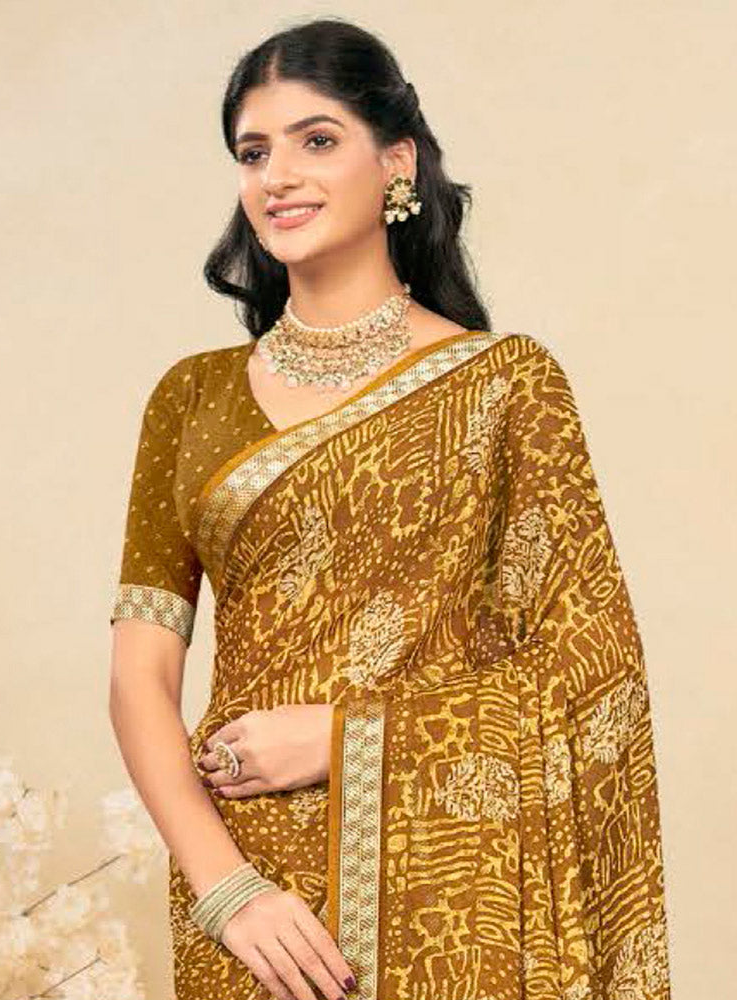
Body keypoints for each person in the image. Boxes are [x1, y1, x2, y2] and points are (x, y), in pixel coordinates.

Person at [108, 16, 672, 1000]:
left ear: (396, 162)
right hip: (252, 905)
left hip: (455, 899)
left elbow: (592, 672)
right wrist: (228, 892)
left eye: (316, 139)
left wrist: (341, 736)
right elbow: (138, 677)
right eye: (253, 151)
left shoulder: (504, 386)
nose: (278, 176)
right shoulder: (191, 399)